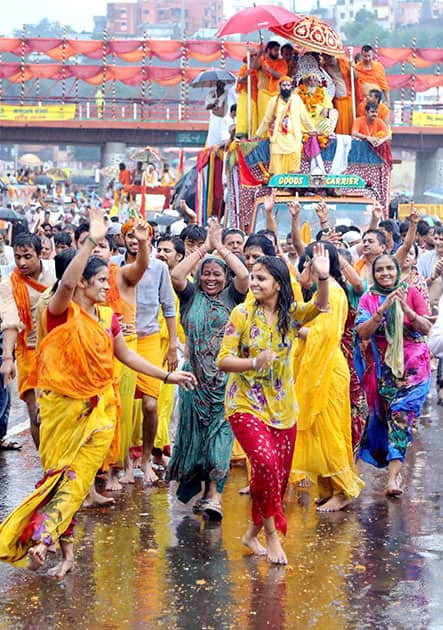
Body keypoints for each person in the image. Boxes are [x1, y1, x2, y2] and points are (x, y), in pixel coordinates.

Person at [0, 209, 196, 578]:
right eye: (102, 282)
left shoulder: (109, 319)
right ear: (84, 286)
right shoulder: (58, 312)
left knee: (75, 479)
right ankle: (65, 553)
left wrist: (166, 377)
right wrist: (92, 238)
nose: (108, 288)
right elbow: (67, 284)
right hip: (61, 410)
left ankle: (43, 539)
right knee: (60, 479)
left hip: (98, 414)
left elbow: (129, 356)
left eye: (108, 281)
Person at [217, 248, 330, 564]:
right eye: (252, 277)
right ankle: (271, 535)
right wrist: (254, 361)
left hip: (282, 408)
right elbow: (223, 359)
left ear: (278, 283)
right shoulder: (242, 314)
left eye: (260, 278)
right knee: (265, 464)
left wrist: (322, 275)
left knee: (276, 478)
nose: (253, 283)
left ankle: (251, 534)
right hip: (244, 402)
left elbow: (320, 306)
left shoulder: (291, 314)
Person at [169, 218, 249, 520]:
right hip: (193, 382)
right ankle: (204, 492)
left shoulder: (233, 296)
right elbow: (177, 274)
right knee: (196, 441)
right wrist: (204, 247)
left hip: (225, 381)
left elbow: (243, 276)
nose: (211, 279)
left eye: (217, 274)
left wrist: (221, 249)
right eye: (206, 274)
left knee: (220, 441)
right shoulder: (190, 296)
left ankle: (215, 496)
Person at [291, 242, 365, 510]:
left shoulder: (332, 292)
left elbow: (326, 335)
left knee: (330, 430)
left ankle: (343, 490)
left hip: (328, 370)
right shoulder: (324, 291)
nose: (307, 265)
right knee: (318, 431)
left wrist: (296, 330)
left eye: (310, 261)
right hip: (320, 366)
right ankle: (328, 488)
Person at [355, 255, 431, 497]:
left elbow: (426, 328)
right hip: (384, 371)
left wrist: (406, 309)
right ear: (373, 273)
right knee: (383, 419)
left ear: (397, 271)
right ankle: (388, 468)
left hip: (415, 370)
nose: (385, 273)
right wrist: (383, 309)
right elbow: (362, 332)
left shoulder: (411, 292)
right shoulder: (369, 297)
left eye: (390, 268)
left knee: (402, 417)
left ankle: (392, 478)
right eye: (379, 270)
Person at [0, 233, 56, 447]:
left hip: (60, 349)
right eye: (17, 257)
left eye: (27, 256)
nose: (21, 262)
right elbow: (11, 321)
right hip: (30, 351)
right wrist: (7, 358)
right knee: (36, 414)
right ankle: (48, 469)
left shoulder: (56, 271)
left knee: (62, 412)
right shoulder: (8, 284)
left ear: (40, 254)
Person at [255, 76, 315, 175]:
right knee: (277, 169)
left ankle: (291, 189)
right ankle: (279, 189)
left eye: (288, 85)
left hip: (293, 138)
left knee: (293, 168)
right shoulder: (273, 101)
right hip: (278, 138)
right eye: (284, 85)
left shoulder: (296, 100)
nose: (286, 87)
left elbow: (304, 118)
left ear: (291, 87)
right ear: (279, 87)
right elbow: (267, 120)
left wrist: (313, 130)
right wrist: (258, 134)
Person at [322, 54, 355, 135]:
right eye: (325, 59)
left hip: (348, 97)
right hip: (336, 99)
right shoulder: (324, 67)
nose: (328, 61)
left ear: (334, 56)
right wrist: (330, 81)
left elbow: (355, 77)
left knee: (349, 122)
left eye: (329, 58)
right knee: (338, 122)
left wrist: (352, 68)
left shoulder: (344, 62)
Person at [256, 41, 288, 123]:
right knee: (264, 117)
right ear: (269, 50)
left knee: (276, 117)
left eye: (278, 50)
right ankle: (263, 135)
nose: (278, 53)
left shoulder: (282, 62)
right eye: (275, 50)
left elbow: (281, 75)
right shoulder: (262, 60)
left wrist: (269, 69)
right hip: (263, 92)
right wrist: (259, 54)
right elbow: (254, 66)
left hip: (276, 93)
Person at [236, 52, 259, 138]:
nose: (253, 58)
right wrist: (246, 76)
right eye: (251, 57)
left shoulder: (258, 68)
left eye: (255, 56)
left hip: (256, 96)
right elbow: (239, 81)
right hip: (246, 95)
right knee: (245, 118)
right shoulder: (245, 68)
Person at [205, 80, 231, 147]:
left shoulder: (227, 93)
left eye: (223, 84)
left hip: (225, 119)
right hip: (214, 119)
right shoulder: (211, 93)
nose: (221, 85)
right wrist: (213, 104)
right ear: (217, 84)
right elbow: (207, 107)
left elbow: (227, 108)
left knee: (224, 139)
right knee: (213, 140)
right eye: (220, 83)